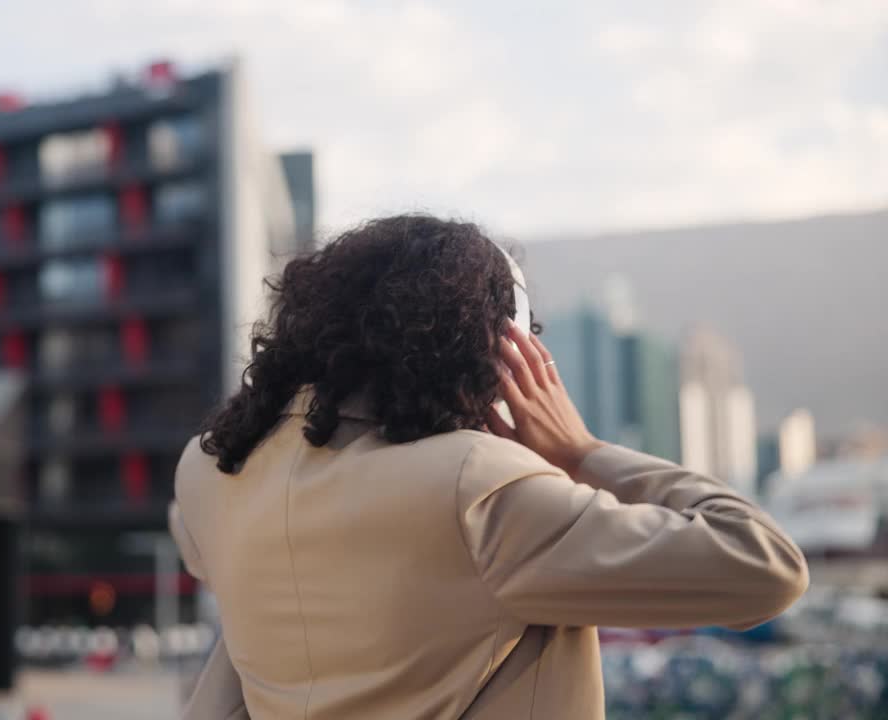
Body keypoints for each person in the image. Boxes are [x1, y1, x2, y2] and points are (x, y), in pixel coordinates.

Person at [167, 214, 807, 720]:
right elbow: (764, 566)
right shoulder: (480, 487)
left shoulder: (210, 473)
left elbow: (204, 552)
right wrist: (583, 453)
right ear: (502, 350)